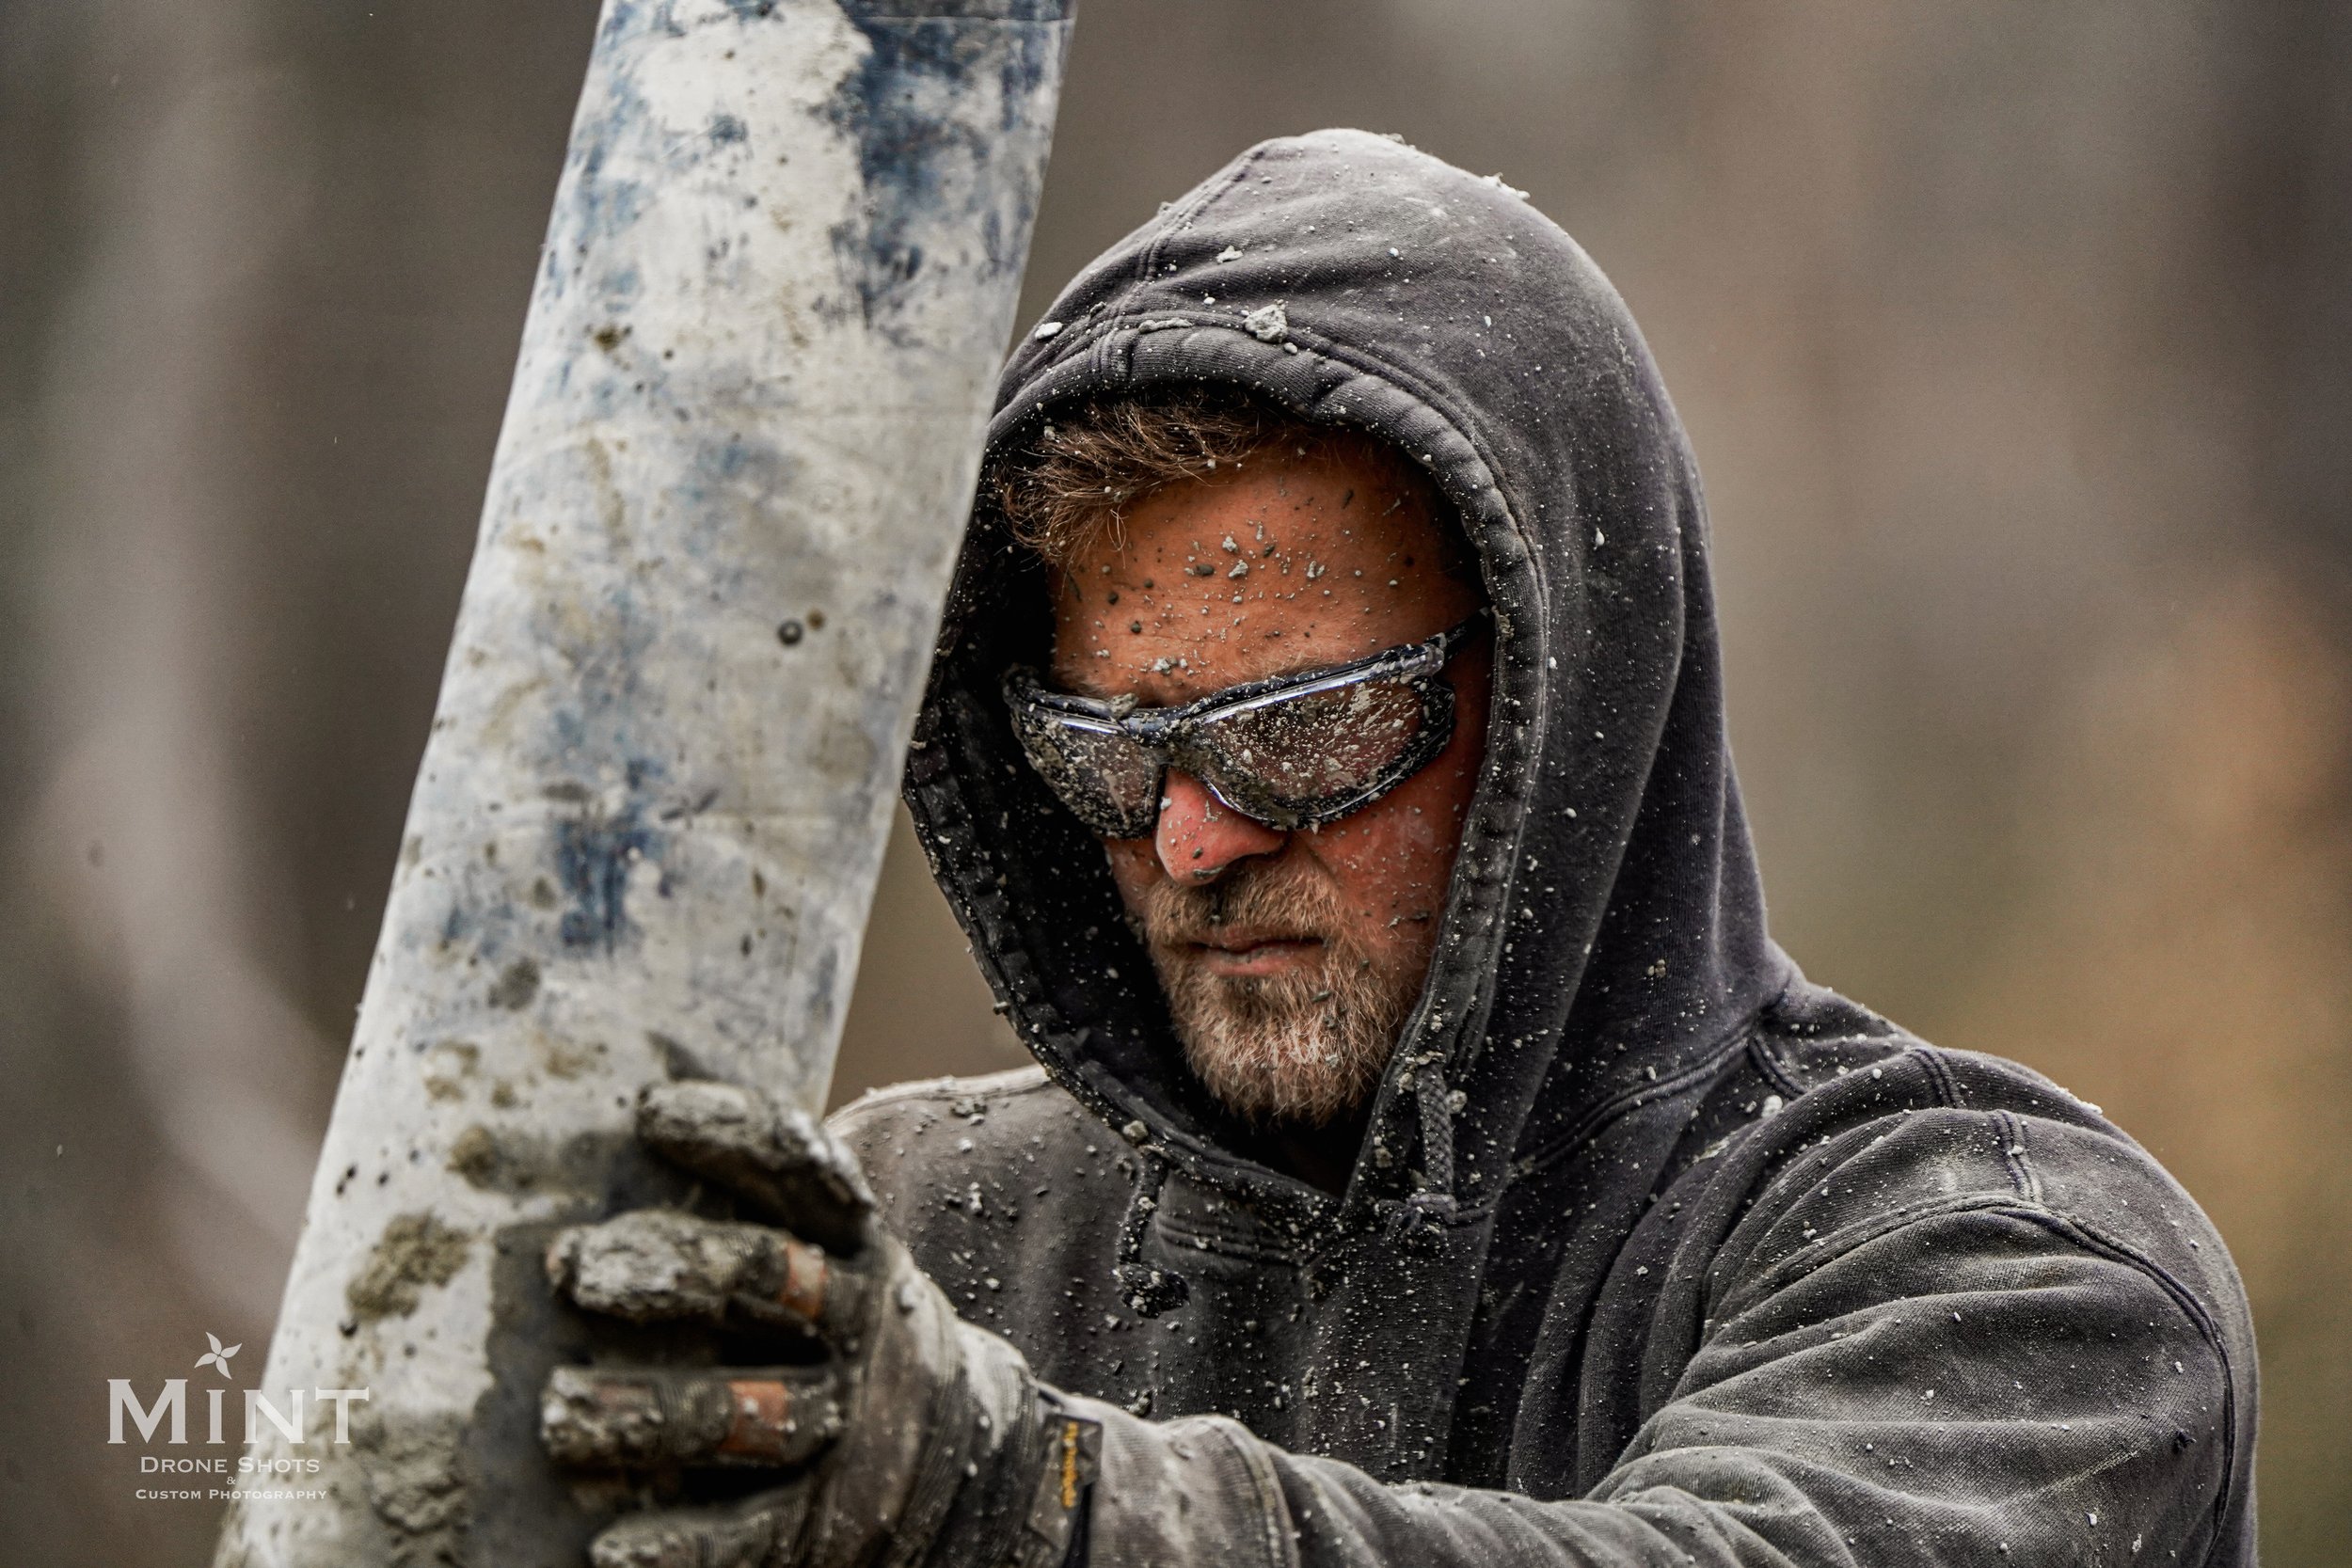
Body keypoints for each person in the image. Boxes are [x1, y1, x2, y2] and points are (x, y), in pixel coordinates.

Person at [537, 130, 2258, 1567]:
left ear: (1564, 703)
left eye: (1300, 734)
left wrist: (1007, 1501)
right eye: (1105, 753)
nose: (1193, 840)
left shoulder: (2025, 1283)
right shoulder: (921, 1238)